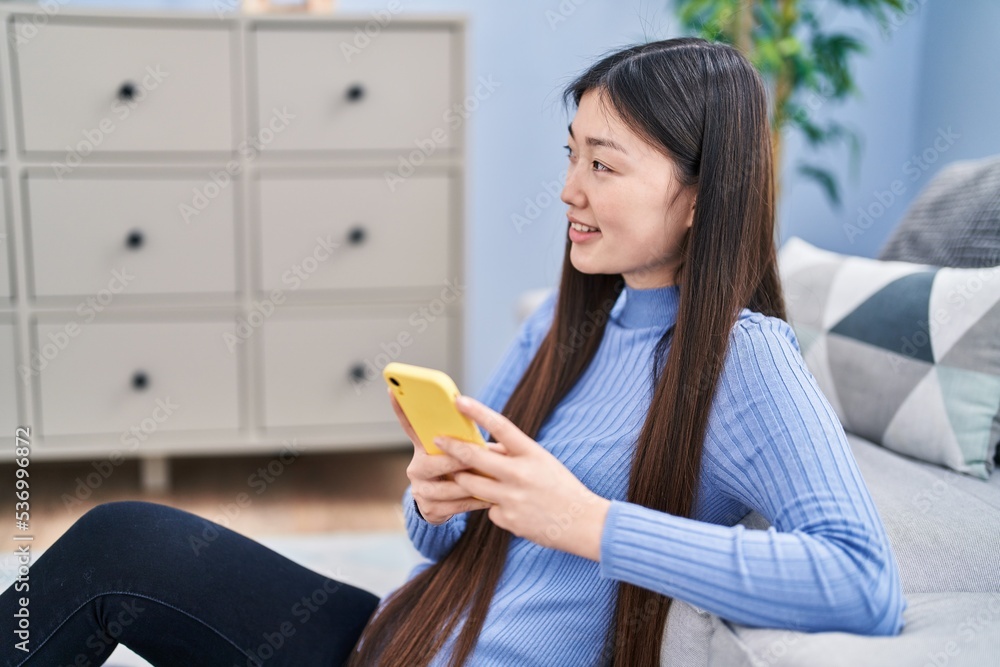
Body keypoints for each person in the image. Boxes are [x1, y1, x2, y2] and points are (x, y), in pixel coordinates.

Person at [1, 36, 907, 667]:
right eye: (570, 156)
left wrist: (587, 521)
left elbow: (864, 580)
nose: (567, 190)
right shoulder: (565, 320)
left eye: (604, 163)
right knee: (121, 538)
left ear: (704, 197)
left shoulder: (745, 358)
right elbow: (434, 538)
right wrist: (433, 493)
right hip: (386, 640)